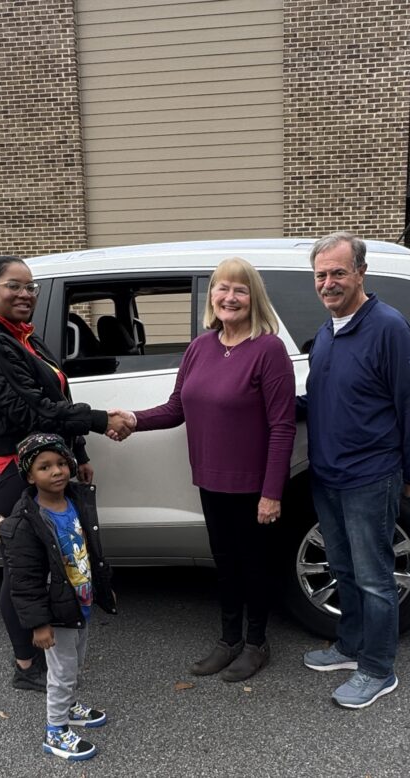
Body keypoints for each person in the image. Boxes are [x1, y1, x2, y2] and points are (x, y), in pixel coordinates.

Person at [114, 257, 296, 682]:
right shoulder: (201, 347)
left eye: (240, 289)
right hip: (211, 479)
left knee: (255, 566)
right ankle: (228, 640)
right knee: (226, 563)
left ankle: (256, 643)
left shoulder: (268, 349)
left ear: (254, 298)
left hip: (253, 486)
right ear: (211, 296)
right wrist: (134, 419)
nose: (229, 297)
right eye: (222, 288)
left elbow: (283, 426)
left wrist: (272, 492)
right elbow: (178, 407)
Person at [0, 255, 132, 692]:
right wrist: (99, 420)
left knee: (46, 564)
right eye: (13, 286)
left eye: (30, 286)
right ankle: (26, 666)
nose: (24, 294)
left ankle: (46, 652)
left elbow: (55, 392)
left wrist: (77, 451)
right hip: (7, 475)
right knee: (21, 569)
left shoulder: (25, 338)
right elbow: (32, 410)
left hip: (39, 466)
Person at [298, 232, 410, 709]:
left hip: (370, 476)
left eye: (338, 272)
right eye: (321, 275)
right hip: (328, 474)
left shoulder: (388, 327)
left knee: (375, 576)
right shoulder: (330, 332)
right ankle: (350, 647)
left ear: (360, 273)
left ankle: (378, 668)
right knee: (343, 568)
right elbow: (325, 398)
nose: (329, 283)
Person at [0, 433, 117, 762]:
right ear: (30, 476)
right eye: (45, 467)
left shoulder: (76, 501)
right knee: (61, 672)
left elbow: (90, 549)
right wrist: (38, 624)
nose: (57, 471)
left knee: (73, 665)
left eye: (61, 463)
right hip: (55, 611)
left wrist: (101, 586)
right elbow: (26, 581)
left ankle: (69, 706)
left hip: (78, 602)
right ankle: (55, 730)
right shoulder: (25, 524)